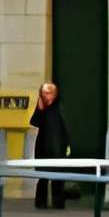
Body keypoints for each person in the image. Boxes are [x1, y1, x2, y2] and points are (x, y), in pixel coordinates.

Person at [30, 81, 73, 210]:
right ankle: (41, 202)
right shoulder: (42, 108)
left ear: (54, 94)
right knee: (42, 176)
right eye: (43, 93)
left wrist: (67, 146)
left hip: (57, 147)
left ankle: (58, 202)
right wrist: (39, 109)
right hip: (43, 147)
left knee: (58, 176)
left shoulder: (59, 108)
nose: (45, 95)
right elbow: (34, 122)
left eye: (48, 93)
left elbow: (65, 128)